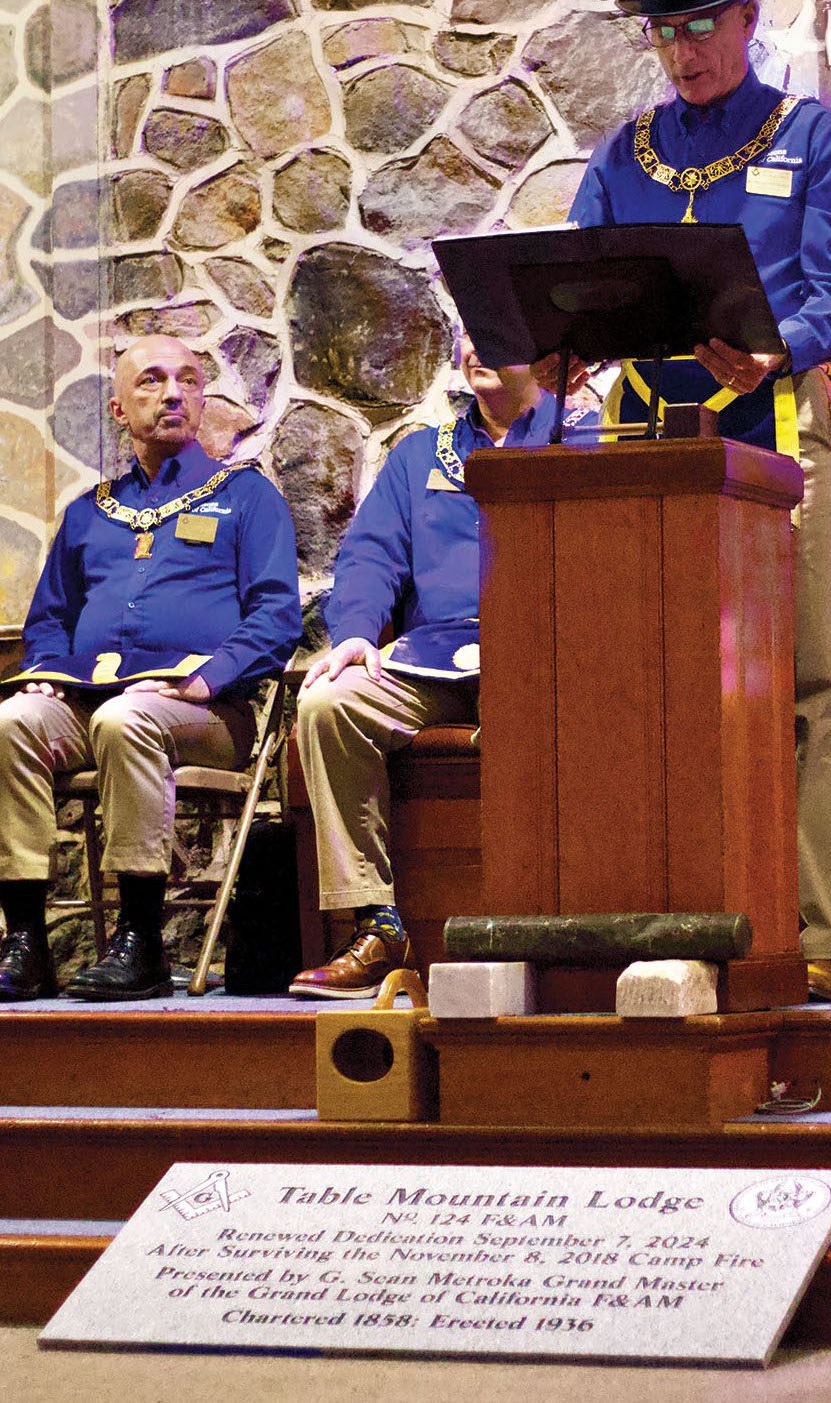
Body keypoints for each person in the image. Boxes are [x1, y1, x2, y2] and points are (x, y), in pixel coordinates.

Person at [566, 0, 831, 1003]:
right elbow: (575, 274)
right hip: (651, 434)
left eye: (701, 25)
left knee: (795, 684)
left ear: (747, 20)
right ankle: (653, 919)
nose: (684, 50)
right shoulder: (623, 154)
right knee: (651, 680)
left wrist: (774, 344)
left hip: (777, 425)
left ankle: (808, 931)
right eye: (664, 31)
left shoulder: (814, 135)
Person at [0, 336, 301, 1002]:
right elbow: (50, 619)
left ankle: (142, 942)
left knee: (126, 718)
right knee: (13, 719)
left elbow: (277, 615)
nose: (172, 393)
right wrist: (46, 670)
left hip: (206, 712)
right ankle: (25, 940)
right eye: (152, 382)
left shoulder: (247, 497)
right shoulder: (88, 512)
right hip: (92, 700)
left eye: (187, 380)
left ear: (200, 398)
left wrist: (207, 677)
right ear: (118, 407)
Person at [290, 338, 583, 998]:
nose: (477, 344)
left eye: (493, 326)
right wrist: (357, 635)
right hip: (435, 662)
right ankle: (376, 922)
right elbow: (369, 557)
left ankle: (554, 925)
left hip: (545, 659)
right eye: (467, 330)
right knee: (329, 704)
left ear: (542, 353)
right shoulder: (420, 455)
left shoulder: (580, 438)